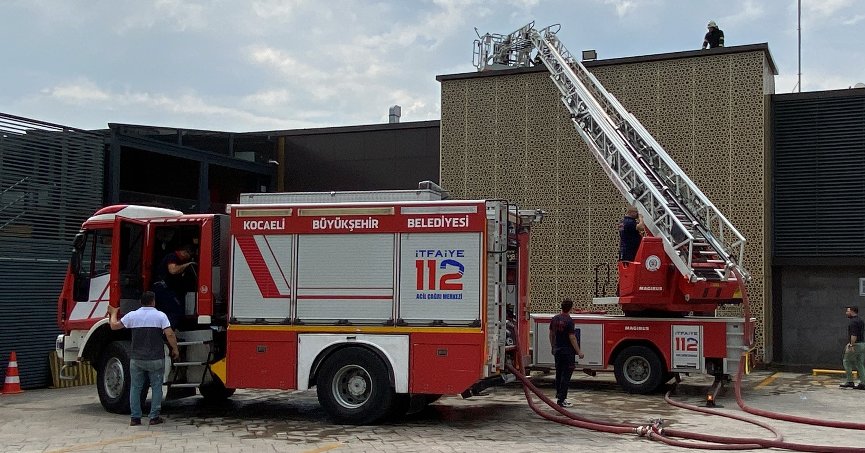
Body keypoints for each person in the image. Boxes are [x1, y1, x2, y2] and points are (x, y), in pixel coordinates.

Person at [107, 291, 180, 426]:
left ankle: (135, 418)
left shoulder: (133, 316)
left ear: (141, 302)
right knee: (157, 387)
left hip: (137, 359)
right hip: (156, 359)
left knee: (135, 388)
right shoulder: (160, 316)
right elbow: (169, 334)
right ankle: (154, 417)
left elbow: (114, 326)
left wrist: (113, 313)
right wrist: (175, 349)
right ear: (153, 302)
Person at [549, 298, 584, 407]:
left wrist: (553, 347)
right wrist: (579, 352)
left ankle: (559, 395)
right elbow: (572, 337)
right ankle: (562, 399)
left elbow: (551, 334)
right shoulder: (569, 321)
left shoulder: (555, 319)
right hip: (567, 352)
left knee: (559, 374)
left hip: (558, 351)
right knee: (566, 376)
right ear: (571, 308)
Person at [153, 244, 196, 328]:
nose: (188, 258)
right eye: (189, 256)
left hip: (165, 289)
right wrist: (187, 265)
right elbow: (173, 270)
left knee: (167, 310)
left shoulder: (176, 259)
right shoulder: (172, 257)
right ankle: (168, 332)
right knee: (175, 310)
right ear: (184, 252)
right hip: (163, 289)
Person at [839, 306, 865, 389]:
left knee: (846, 361)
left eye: (848, 311)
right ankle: (863, 383)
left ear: (852, 311)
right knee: (860, 363)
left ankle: (850, 381)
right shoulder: (860, 320)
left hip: (856, 345)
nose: (846, 313)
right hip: (862, 344)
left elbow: (854, 335)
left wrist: (851, 345)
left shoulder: (853, 322)